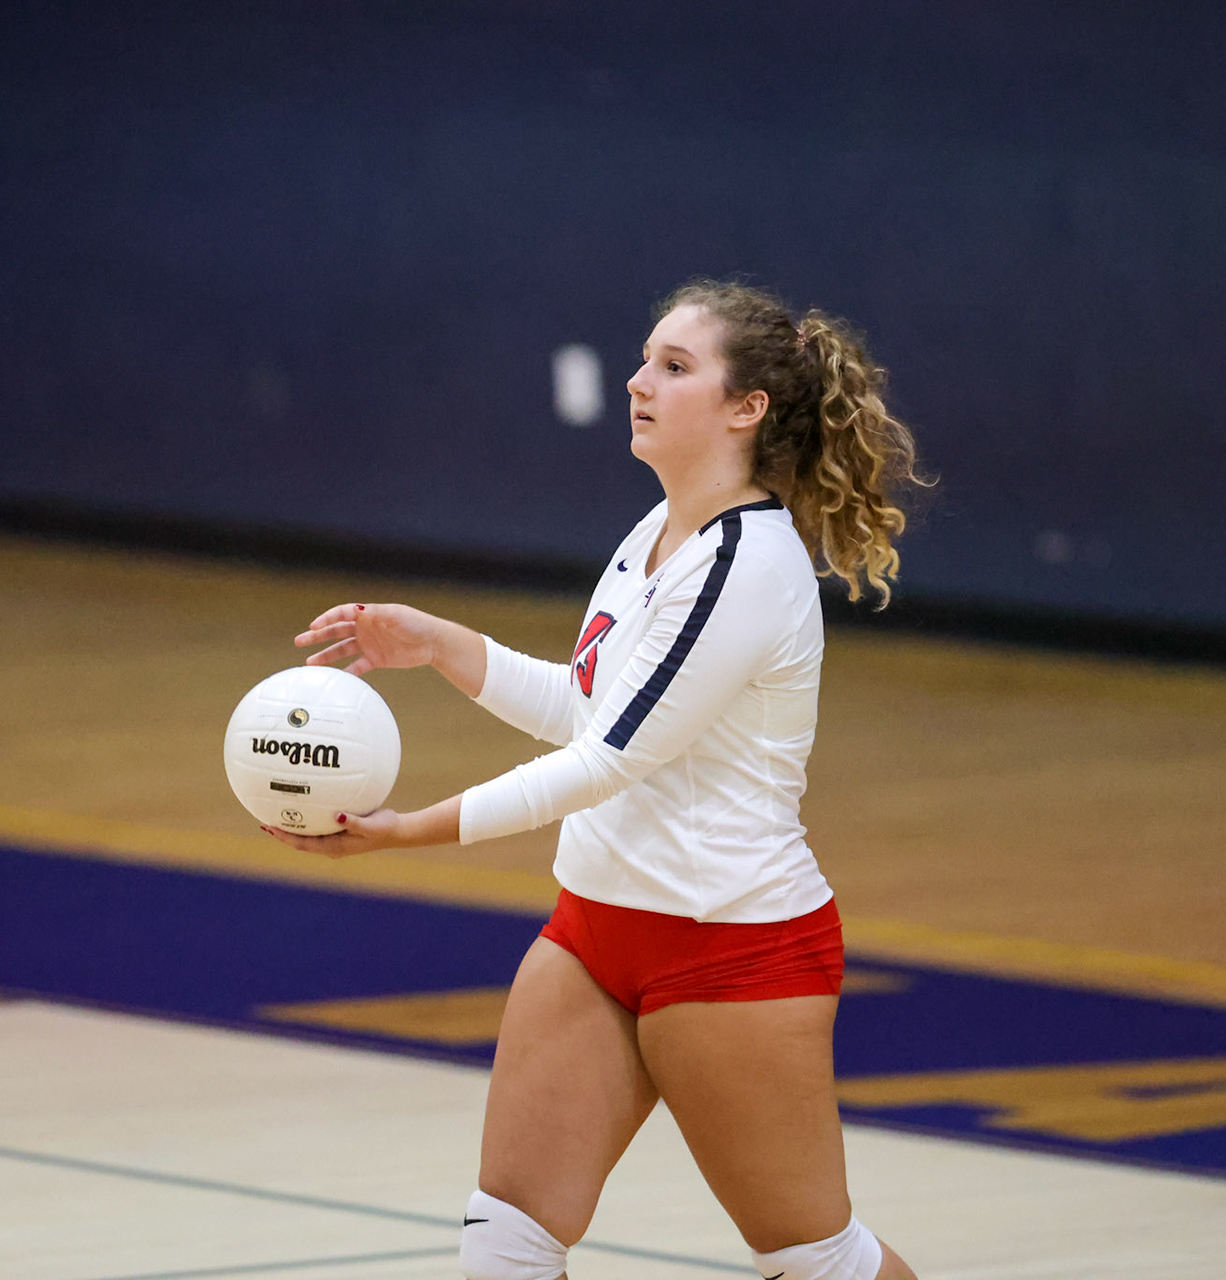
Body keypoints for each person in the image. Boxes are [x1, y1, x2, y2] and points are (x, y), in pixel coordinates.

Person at [260, 279, 926, 1280]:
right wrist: (442, 645)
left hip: (730, 946)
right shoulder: (653, 534)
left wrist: (405, 833)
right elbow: (592, 714)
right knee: (507, 1242)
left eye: (674, 365)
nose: (637, 381)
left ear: (747, 408)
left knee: (813, 1259)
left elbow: (609, 760)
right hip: (595, 931)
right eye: (644, 358)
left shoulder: (748, 561)